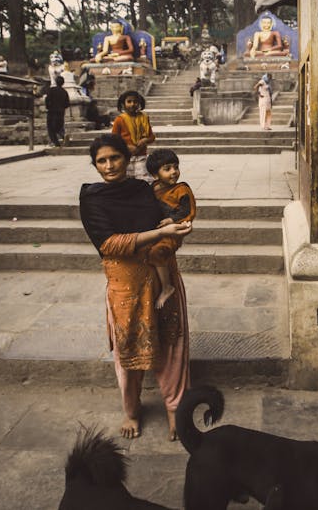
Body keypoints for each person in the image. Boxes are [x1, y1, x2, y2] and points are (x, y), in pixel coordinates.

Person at [79, 134, 192, 441]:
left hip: (161, 275)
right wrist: (157, 235)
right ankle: (131, 409)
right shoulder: (92, 198)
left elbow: (163, 224)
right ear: (95, 165)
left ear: (127, 160)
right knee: (129, 347)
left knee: (171, 343)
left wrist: (175, 230)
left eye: (114, 158)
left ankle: (174, 408)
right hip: (125, 282)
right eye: (101, 161)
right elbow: (108, 243)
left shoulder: (143, 189)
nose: (109, 165)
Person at [146, 149, 197, 310]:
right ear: (155, 175)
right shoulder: (153, 188)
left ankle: (167, 287)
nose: (174, 172)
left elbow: (187, 210)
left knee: (157, 252)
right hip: (158, 229)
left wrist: (171, 220)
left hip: (175, 229)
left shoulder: (181, 189)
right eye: (167, 169)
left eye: (176, 167)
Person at [111, 90, 155, 182]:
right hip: (125, 157)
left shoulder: (144, 118)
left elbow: (152, 137)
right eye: (129, 101)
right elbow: (113, 139)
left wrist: (145, 140)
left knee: (144, 180)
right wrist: (126, 147)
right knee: (126, 180)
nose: (132, 104)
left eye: (135, 102)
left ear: (139, 103)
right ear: (123, 104)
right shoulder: (119, 120)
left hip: (141, 156)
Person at [45, 76, 70, 147]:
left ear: (55, 82)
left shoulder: (51, 90)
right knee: (59, 127)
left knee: (51, 128)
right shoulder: (64, 92)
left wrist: (48, 107)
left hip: (52, 111)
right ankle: (63, 135)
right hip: (61, 112)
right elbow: (67, 104)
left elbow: (47, 100)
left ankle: (56, 143)